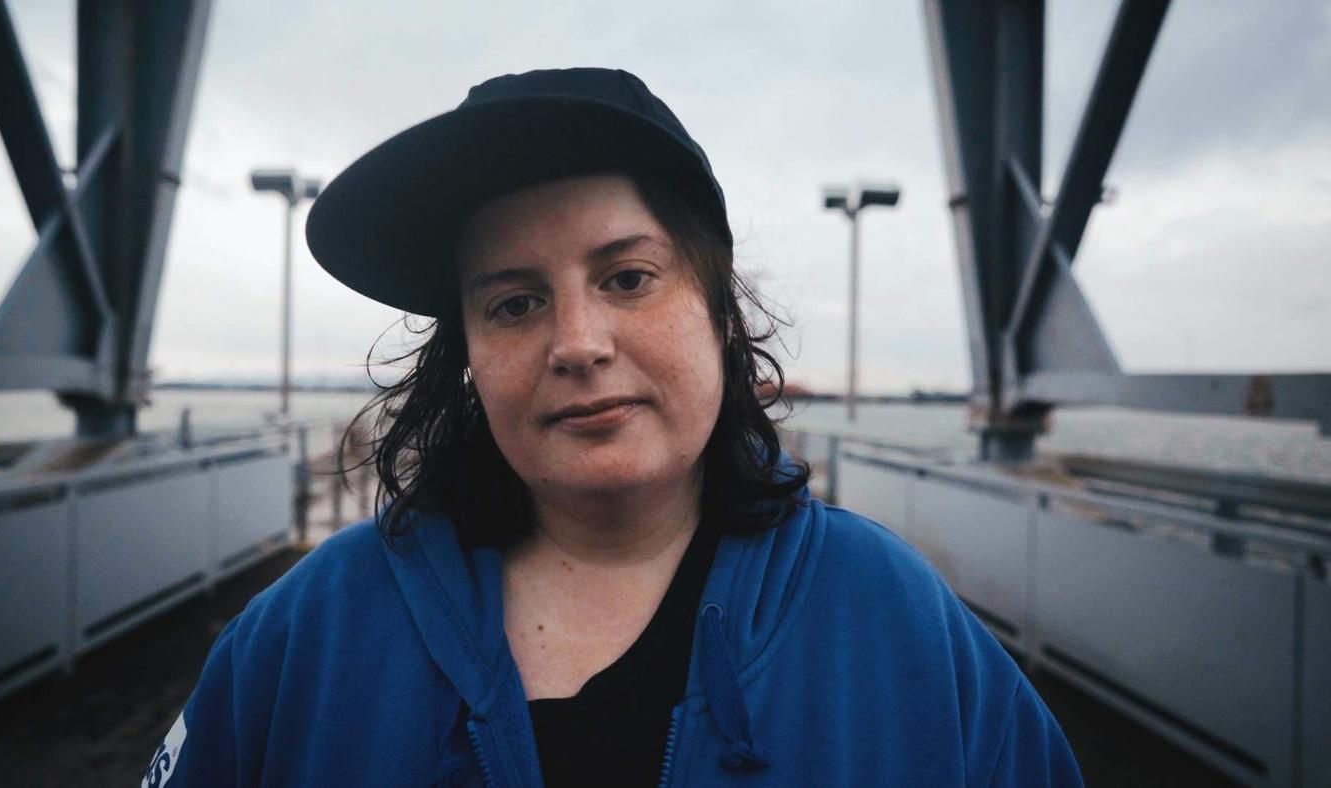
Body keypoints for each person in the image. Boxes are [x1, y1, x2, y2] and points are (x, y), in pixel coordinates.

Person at [145, 68, 1082, 787]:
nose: (577, 344)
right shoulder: (306, 637)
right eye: (514, 304)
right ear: (468, 355)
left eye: (628, 278)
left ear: (720, 314)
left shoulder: (897, 624)